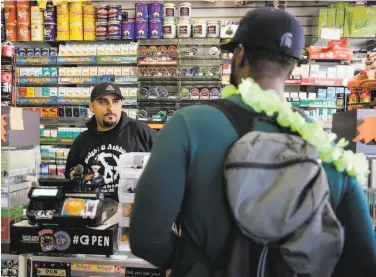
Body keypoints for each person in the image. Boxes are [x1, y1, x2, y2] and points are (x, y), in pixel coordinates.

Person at [129, 7, 376, 277]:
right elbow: (363, 257)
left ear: (240, 54)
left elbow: (147, 239)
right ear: (292, 65)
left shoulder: (187, 125)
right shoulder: (328, 146)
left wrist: (191, 263)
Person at [65, 82, 156, 199]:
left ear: (121, 105)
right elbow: (70, 179)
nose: (111, 108)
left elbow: (165, 169)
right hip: (95, 212)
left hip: (133, 212)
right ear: (92, 107)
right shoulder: (81, 141)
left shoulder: (141, 132)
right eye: (103, 102)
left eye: (115, 101)